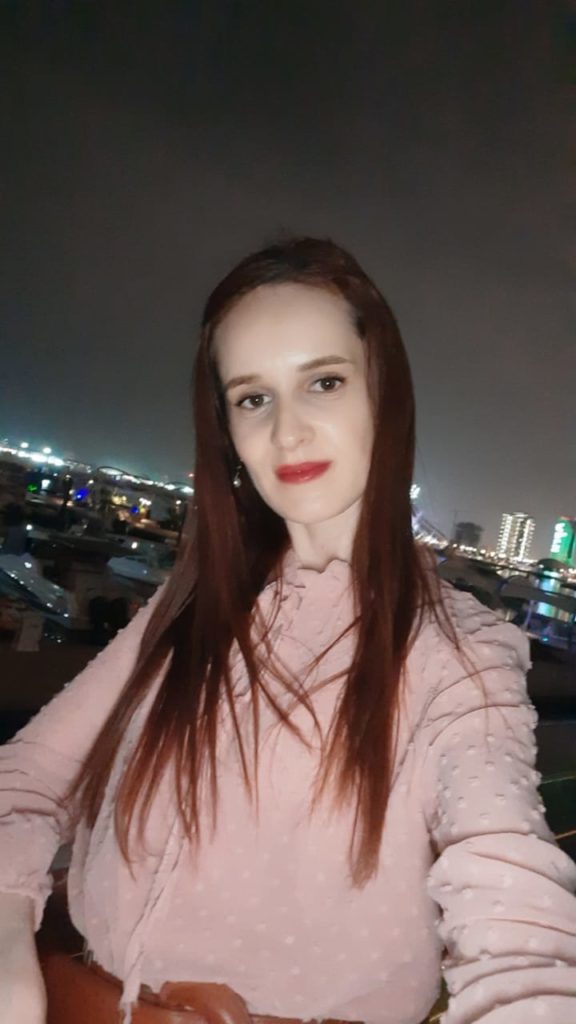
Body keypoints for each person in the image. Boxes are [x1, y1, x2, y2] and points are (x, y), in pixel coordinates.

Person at [1, 237, 575, 1024]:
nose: (288, 432)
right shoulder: (193, 603)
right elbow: (32, 775)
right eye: (252, 398)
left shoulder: (460, 654)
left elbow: (507, 883)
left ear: (385, 396)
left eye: (324, 382)